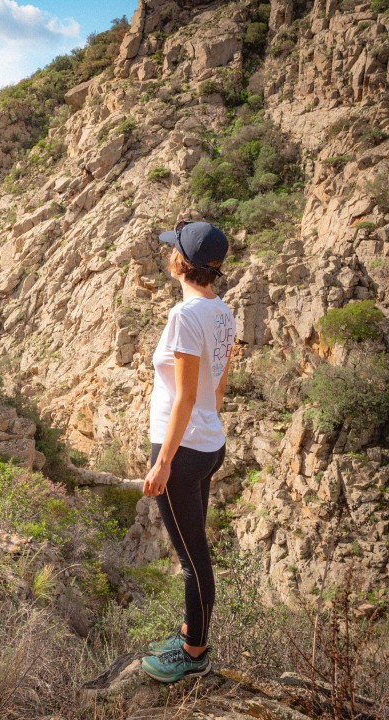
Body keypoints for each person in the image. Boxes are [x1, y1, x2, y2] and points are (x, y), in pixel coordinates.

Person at [140, 220, 236, 683]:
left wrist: (163, 462)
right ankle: (188, 633)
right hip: (207, 443)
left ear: (182, 263)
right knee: (195, 549)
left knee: (191, 559)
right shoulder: (223, 311)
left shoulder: (184, 317)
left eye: (171, 250)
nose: (166, 255)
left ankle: (194, 653)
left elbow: (184, 395)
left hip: (182, 451)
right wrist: (206, 421)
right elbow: (216, 386)